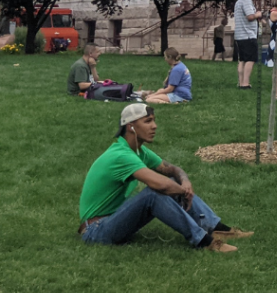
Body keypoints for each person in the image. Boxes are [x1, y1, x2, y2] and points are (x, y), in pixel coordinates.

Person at [78, 104, 250, 252]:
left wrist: (185, 182)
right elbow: (159, 184)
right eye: (147, 121)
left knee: (172, 183)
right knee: (155, 193)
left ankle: (218, 229)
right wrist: (183, 192)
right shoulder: (120, 156)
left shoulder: (139, 152)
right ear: (130, 126)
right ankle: (204, 242)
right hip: (95, 231)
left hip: (112, 218)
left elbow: (172, 170)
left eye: (153, 120)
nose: (155, 126)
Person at [233, 0, 263, 89]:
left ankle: (240, 83)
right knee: (250, 59)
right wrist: (258, 14)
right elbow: (250, 16)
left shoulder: (239, 1)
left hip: (240, 35)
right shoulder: (246, 1)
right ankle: (245, 83)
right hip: (248, 35)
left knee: (242, 60)